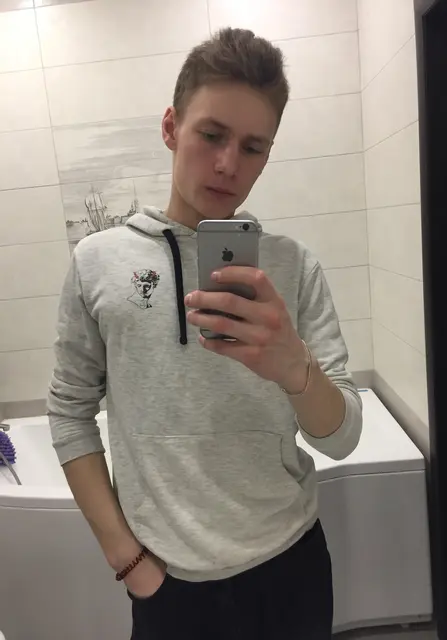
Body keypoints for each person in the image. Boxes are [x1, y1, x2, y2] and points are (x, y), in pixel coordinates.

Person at [47, 27, 363, 640]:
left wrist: (294, 368)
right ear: (171, 127)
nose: (228, 165)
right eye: (212, 135)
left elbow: (344, 438)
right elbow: (69, 412)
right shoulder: (96, 262)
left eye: (253, 147)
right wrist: (127, 561)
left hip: (291, 567)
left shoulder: (293, 266)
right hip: (168, 585)